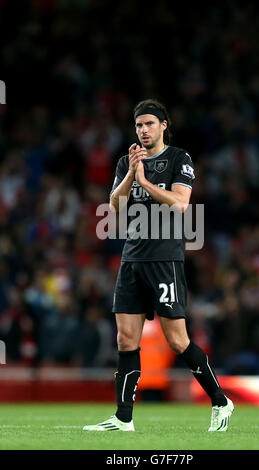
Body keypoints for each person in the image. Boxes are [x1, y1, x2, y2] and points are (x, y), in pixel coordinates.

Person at [83, 99, 234, 432]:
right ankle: (123, 418)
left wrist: (147, 183)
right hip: (132, 260)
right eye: (139, 125)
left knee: (178, 341)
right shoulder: (127, 161)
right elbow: (114, 206)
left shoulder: (179, 159)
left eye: (149, 123)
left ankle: (221, 401)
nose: (143, 130)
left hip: (165, 260)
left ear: (164, 125)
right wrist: (132, 174)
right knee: (125, 339)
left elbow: (181, 204)